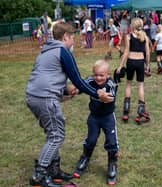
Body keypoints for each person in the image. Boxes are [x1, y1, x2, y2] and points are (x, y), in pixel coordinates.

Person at [25, 22, 113, 187]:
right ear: (65, 37)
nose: (73, 41)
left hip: (33, 96)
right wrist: (97, 94)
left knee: (54, 131)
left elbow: (47, 77)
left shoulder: (45, 51)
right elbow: (78, 80)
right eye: (73, 37)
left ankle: (54, 170)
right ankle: (40, 174)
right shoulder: (62, 50)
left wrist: (66, 91)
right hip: (44, 98)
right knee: (57, 135)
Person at [73, 60, 119, 185]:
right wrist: (76, 90)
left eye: (101, 75)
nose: (98, 78)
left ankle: (112, 164)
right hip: (94, 117)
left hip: (108, 117)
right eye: (96, 75)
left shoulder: (111, 84)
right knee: (91, 140)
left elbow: (110, 98)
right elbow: (81, 86)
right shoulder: (90, 81)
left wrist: (101, 95)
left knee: (111, 141)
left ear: (108, 74)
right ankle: (85, 158)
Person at [117, 17, 151, 124]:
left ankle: (126, 111)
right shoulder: (145, 37)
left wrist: (120, 66)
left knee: (128, 84)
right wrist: (148, 65)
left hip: (131, 61)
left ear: (132, 25)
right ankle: (140, 111)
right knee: (140, 85)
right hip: (140, 62)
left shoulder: (128, 36)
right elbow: (148, 53)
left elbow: (126, 52)